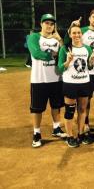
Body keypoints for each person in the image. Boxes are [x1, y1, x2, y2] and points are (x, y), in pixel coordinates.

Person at [27, 13, 66, 148]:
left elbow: (65, 55)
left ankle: (57, 128)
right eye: (47, 23)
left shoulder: (57, 38)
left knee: (56, 105)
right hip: (39, 79)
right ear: (41, 24)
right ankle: (36, 133)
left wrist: (60, 41)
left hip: (56, 78)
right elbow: (36, 53)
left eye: (52, 23)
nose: (49, 26)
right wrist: (52, 54)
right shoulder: (34, 37)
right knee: (37, 108)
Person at [70, 9, 94, 133]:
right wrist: (72, 25)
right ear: (89, 19)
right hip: (86, 71)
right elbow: (69, 40)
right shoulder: (82, 31)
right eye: (93, 16)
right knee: (85, 99)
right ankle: (85, 122)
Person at [58, 24, 94, 148]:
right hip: (70, 84)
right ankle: (70, 136)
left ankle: (80, 134)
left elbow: (89, 67)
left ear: (81, 34)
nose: (77, 35)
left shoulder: (87, 48)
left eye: (78, 32)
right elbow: (59, 69)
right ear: (70, 35)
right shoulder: (65, 49)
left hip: (85, 83)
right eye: (73, 33)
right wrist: (68, 61)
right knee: (69, 112)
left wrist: (91, 61)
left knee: (82, 110)